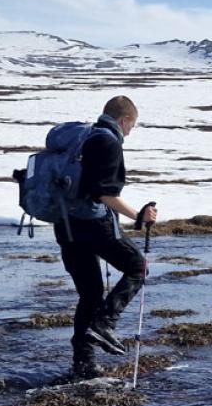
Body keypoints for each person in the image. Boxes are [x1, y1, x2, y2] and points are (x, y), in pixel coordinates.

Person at [57, 96, 159, 379]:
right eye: (131, 126)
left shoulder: (81, 137)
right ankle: (105, 324)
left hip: (65, 225)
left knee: (90, 294)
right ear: (124, 120)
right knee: (138, 267)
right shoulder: (108, 142)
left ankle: (84, 364)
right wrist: (139, 216)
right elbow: (104, 193)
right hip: (92, 224)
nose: (130, 132)